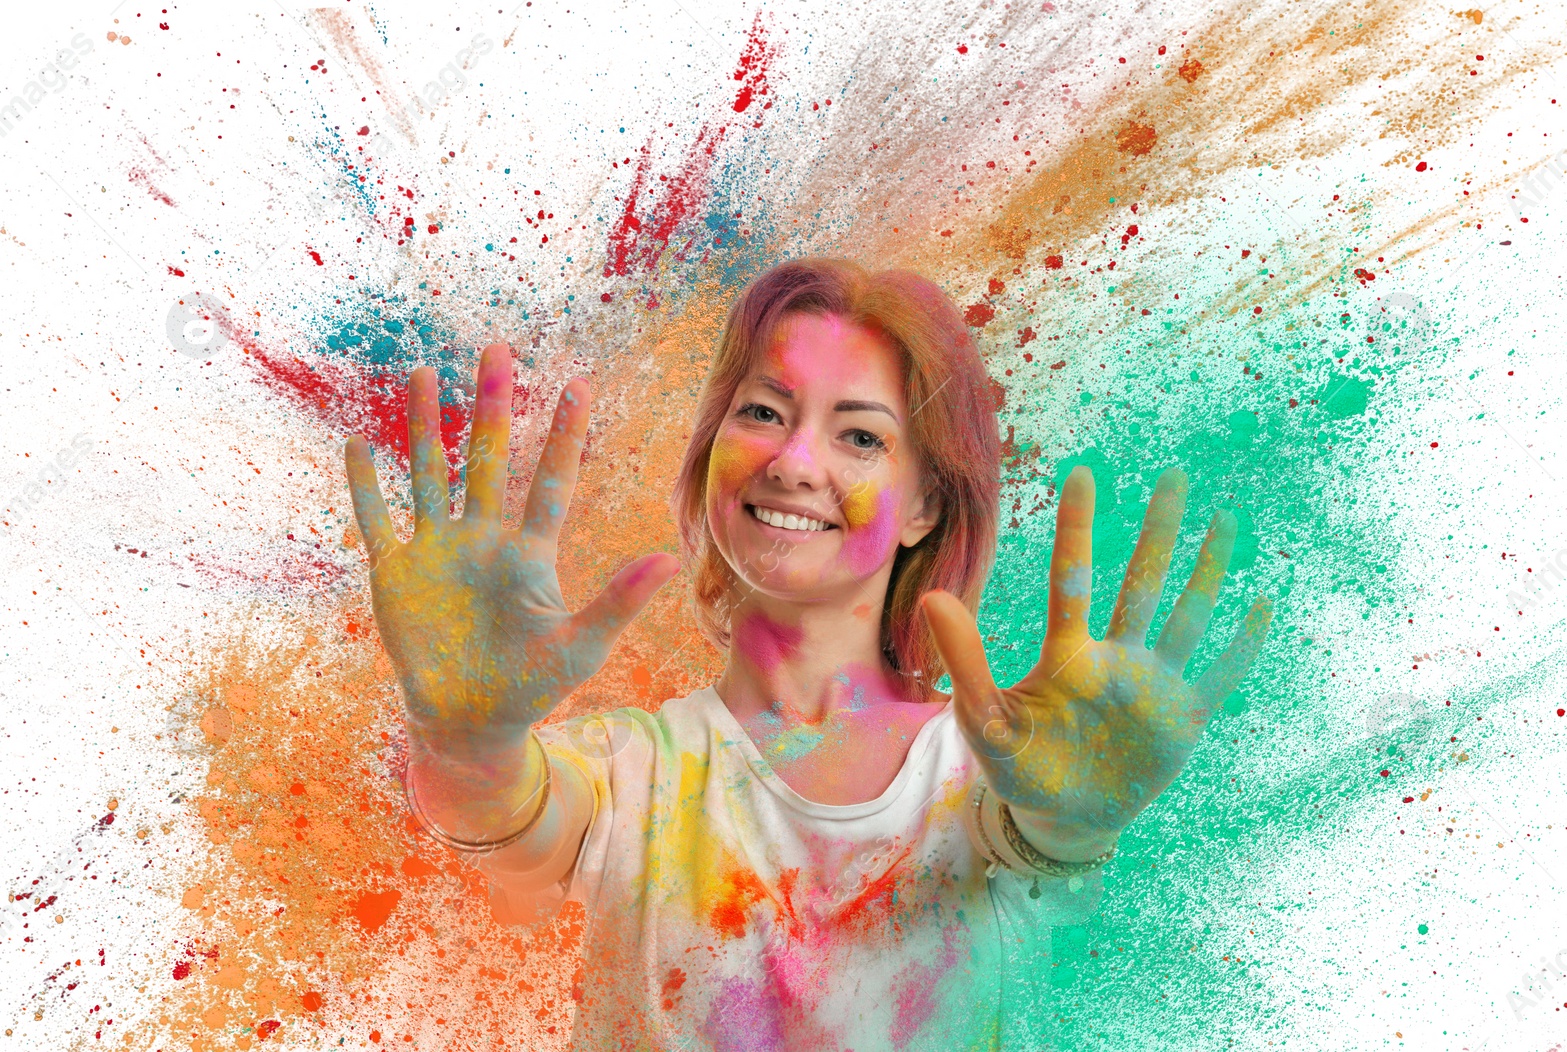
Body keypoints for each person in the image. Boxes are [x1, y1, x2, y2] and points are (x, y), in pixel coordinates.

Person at [343, 258, 1273, 1050]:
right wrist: (462, 741)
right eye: (762, 411)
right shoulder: (633, 775)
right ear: (712, 451)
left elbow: (1034, 839)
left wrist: (1074, 825)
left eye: (860, 435)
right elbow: (512, 820)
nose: (794, 460)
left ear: (924, 508)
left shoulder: (994, 770)